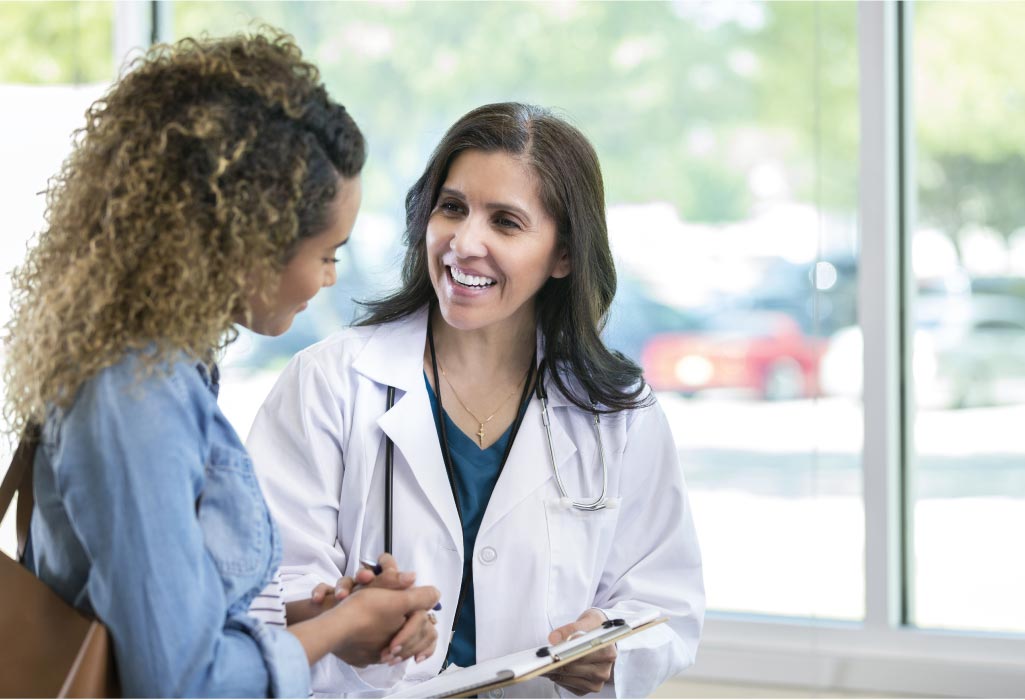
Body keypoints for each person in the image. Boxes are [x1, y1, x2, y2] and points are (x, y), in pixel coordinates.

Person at [2, 31, 440, 698]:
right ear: (247, 244)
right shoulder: (134, 396)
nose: (328, 279)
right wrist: (337, 624)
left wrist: (321, 621)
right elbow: (183, 684)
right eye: (327, 253)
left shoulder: (160, 368)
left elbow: (159, 621)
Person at [247, 102, 705, 697]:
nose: (465, 243)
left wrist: (610, 645)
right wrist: (340, 613)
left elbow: (665, 600)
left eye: (506, 222)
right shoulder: (329, 382)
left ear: (563, 254)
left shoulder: (617, 411)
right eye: (453, 208)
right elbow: (263, 586)